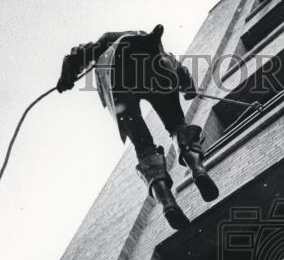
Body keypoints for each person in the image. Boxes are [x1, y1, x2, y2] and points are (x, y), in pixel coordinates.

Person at [57, 24, 218, 230]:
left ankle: (167, 202)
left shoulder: (109, 40)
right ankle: (197, 169)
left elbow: (78, 55)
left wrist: (66, 76)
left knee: (143, 146)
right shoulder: (158, 49)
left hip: (118, 80)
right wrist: (188, 87)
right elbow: (181, 71)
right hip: (156, 69)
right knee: (177, 125)